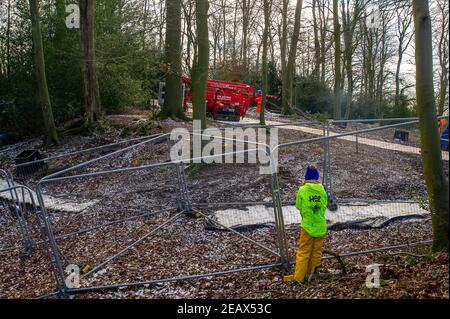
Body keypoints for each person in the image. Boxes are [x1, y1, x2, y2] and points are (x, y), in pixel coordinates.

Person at [284, 164, 328, 284]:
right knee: (316, 252)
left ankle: (298, 278)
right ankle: (311, 274)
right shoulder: (322, 189)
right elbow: (324, 206)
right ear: (317, 177)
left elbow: (298, 205)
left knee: (303, 252)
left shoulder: (302, 190)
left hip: (308, 227)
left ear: (306, 177)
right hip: (320, 226)